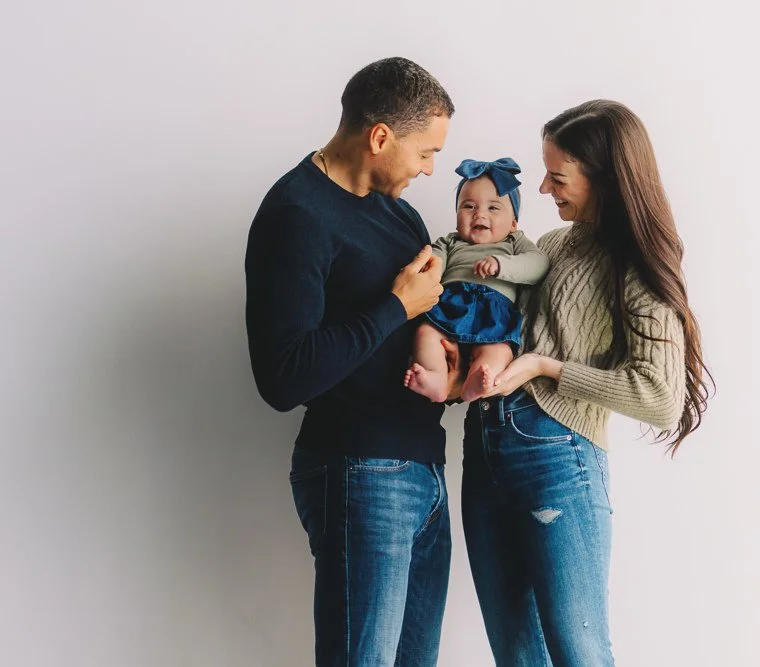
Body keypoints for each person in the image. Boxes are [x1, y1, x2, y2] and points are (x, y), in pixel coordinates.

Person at [461, 100, 713, 666]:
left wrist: (544, 367)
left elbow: (660, 397)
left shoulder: (636, 265)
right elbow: (495, 323)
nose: (546, 190)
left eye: (558, 176)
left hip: (558, 457)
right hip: (483, 447)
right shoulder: (548, 247)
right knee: (516, 656)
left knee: (580, 654)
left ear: (604, 178)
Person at [244, 57, 458, 667]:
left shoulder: (401, 214)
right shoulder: (296, 214)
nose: (429, 169)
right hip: (359, 472)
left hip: (424, 472)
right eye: (425, 152)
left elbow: (412, 329)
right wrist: (396, 305)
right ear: (381, 136)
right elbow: (283, 377)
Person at [404, 157, 549, 403]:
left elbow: (539, 265)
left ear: (513, 223)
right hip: (450, 304)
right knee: (426, 333)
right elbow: (432, 264)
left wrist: (502, 265)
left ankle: (478, 381)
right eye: (469, 206)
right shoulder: (450, 242)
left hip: (494, 312)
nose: (479, 214)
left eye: (493, 208)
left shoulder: (515, 243)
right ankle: (437, 378)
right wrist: (425, 275)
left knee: (500, 349)